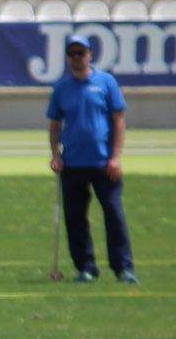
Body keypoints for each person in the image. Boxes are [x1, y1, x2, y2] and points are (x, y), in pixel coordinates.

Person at [47, 36, 137, 284]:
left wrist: (116, 157)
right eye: (72, 54)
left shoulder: (106, 82)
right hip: (73, 164)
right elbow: (55, 126)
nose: (77, 58)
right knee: (75, 218)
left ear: (89, 55)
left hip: (103, 163)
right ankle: (86, 267)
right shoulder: (61, 88)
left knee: (113, 214)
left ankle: (123, 268)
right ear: (68, 57)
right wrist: (55, 155)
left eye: (81, 53)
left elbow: (119, 120)